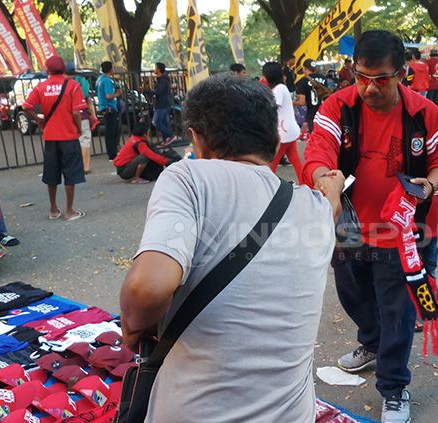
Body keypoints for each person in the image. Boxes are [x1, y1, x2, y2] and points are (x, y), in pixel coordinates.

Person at [120, 74, 341, 422]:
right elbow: (329, 204)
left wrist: (133, 328)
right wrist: (334, 188)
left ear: (197, 138)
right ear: (273, 136)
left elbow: (147, 290)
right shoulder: (315, 208)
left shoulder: (188, 179)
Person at [303, 30, 438, 423]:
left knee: (398, 311)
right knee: (353, 293)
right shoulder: (338, 108)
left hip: (405, 231)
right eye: (361, 77)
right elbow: (319, 150)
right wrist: (326, 180)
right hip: (351, 226)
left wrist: (430, 183)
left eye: (381, 79)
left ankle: (393, 387)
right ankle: (370, 343)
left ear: (402, 74)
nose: (369, 88)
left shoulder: (425, 113)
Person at [23, 56, 87, 221]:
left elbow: (27, 106)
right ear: (64, 70)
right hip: (68, 136)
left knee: (52, 172)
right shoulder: (73, 85)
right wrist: (79, 129)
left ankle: (53, 209)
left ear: (47, 71)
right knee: (70, 173)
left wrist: (38, 120)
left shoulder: (41, 87)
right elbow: (75, 112)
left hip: (51, 136)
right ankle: (70, 211)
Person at [263, 62, 303, 182]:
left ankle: (270, 185)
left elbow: (272, 106)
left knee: (272, 162)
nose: (263, 78)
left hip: (284, 132)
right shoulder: (280, 88)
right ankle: (306, 183)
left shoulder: (279, 88)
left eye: (264, 75)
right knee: (295, 160)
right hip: (288, 130)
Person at [65, 63, 95, 174]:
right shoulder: (82, 81)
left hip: (67, 117)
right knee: (85, 141)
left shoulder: (61, 83)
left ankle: (73, 166)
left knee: (70, 142)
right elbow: (89, 100)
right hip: (82, 115)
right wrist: (93, 115)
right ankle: (86, 167)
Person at [96, 61, 121, 161]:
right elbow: (108, 96)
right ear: (110, 69)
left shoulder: (100, 79)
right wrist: (117, 94)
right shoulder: (106, 80)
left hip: (104, 107)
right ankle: (112, 154)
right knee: (112, 131)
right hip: (109, 107)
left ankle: (113, 151)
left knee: (110, 131)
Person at [294, 59, 326, 132]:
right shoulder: (324, 78)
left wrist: (290, 103)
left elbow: (301, 102)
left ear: (304, 68)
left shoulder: (303, 81)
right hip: (325, 113)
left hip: (312, 114)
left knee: (315, 137)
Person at [151, 62, 176, 146]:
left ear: (158, 69)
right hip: (163, 104)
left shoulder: (163, 80)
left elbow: (158, 92)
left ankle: (171, 135)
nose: (154, 70)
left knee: (156, 122)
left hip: (162, 104)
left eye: (155, 68)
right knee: (164, 123)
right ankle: (166, 140)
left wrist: (149, 91)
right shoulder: (161, 79)